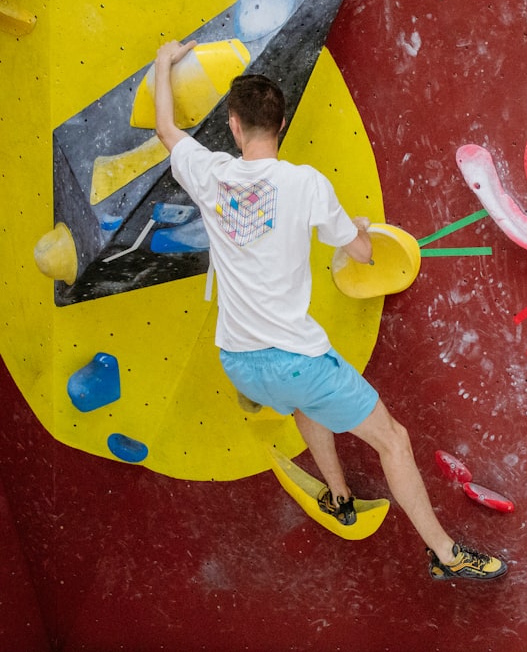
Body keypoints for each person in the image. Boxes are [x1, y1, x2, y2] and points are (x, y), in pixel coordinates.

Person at [153, 40, 506, 581]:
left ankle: (340, 497)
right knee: (395, 441)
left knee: (299, 404)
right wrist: (359, 230)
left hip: (240, 363)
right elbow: (361, 253)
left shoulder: (211, 174)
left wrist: (162, 63)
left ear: (233, 125)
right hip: (297, 361)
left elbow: (167, 131)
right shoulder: (305, 184)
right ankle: (445, 554)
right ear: (283, 121)